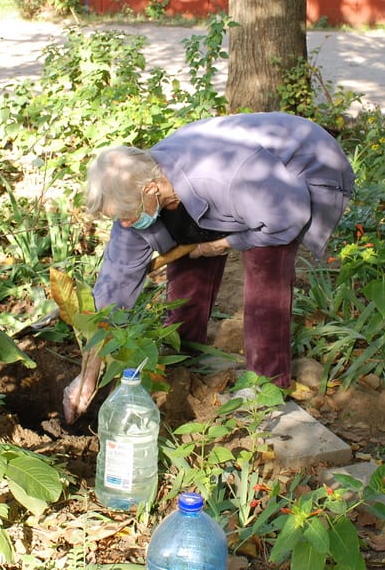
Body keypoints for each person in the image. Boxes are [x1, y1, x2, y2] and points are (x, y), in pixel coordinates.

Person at [63, 112, 354, 420]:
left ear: (150, 190)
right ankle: (183, 357)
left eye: (127, 215)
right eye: (117, 217)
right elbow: (116, 283)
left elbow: (286, 218)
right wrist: (89, 372)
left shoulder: (224, 177)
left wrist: (224, 243)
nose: (124, 223)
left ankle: (265, 386)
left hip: (296, 168)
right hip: (230, 189)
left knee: (264, 267)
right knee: (186, 255)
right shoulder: (134, 194)